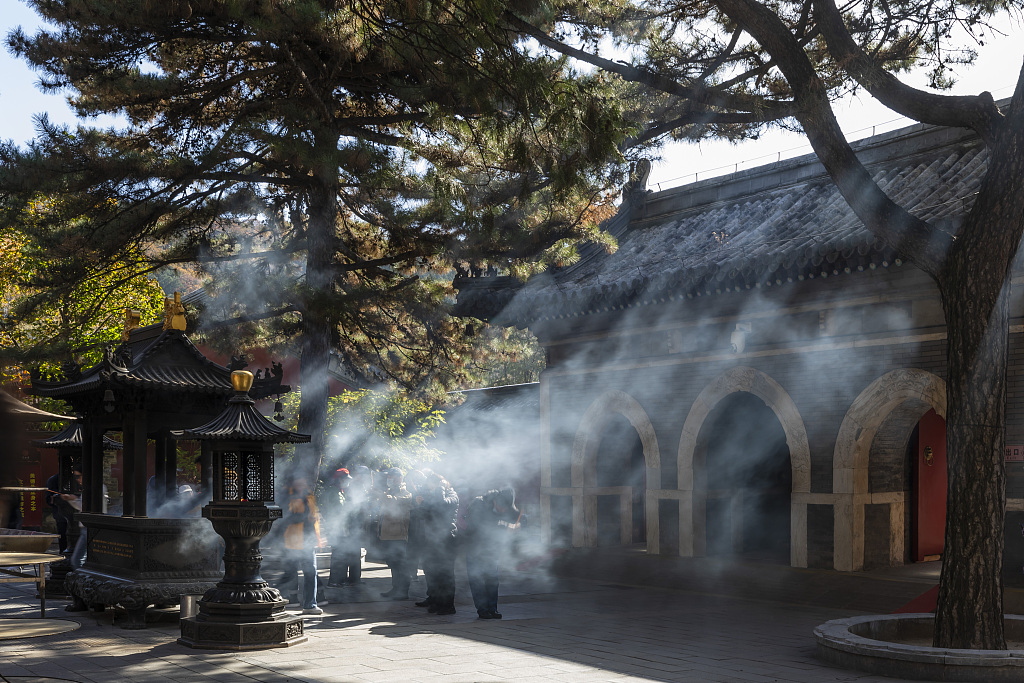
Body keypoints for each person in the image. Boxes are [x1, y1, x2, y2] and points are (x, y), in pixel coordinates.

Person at [464, 486, 520, 620]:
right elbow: (480, 527)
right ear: (495, 501)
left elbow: (516, 517)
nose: (502, 511)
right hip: (474, 547)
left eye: (505, 508)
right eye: (501, 507)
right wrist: (505, 527)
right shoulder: (479, 504)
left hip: (491, 550)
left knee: (492, 580)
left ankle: (492, 608)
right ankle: (482, 609)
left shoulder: (506, 505)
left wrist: (517, 524)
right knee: (477, 579)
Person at [278, 475, 323, 615]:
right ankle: (283, 599)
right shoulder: (286, 496)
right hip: (291, 540)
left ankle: (310, 604)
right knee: (290, 573)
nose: (302, 482)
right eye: (299, 479)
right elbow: (283, 517)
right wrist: (306, 517)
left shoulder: (309, 495)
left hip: (308, 540)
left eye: (303, 480)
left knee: (311, 572)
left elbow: (313, 515)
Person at [416, 473, 459, 615]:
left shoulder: (452, 495)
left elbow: (442, 505)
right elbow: (424, 514)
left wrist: (439, 489)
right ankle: (437, 602)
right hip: (432, 540)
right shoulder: (433, 496)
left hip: (446, 539)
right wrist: (421, 504)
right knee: (433, 572)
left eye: (432, 485)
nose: (430, 488)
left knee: (445, 574)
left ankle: (448, 606)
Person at [376, 467, 413, 600]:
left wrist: (383, 496)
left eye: (392, 477)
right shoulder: (389, 491)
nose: (389, 479)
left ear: (400, 478)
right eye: (389, 477)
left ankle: (403, 591)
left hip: (398, 534)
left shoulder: (406, 493)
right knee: (392, 562)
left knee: (400, 563)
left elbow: (394, 502)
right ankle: (395, 587)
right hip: (387, 533)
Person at [327, 468, 366, 586]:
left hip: (342, 527)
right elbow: (339, 510)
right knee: (338, 554)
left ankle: (339, 580)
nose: (347, 482)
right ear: (339, 479)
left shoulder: (341, 491)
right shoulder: (334, 492)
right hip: (337, 528)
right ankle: (334, 581)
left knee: (341, 554)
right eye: (345, 479)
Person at [45, 472, 69, 553]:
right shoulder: (53, 480)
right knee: (62, 533)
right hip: (60, 512)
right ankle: (63, 552)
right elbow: (49, 499)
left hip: (74, 513)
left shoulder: (75, 478)